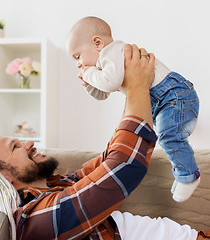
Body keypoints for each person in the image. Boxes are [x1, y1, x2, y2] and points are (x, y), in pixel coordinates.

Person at [0, 45, 210, 240]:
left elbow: (108, 159)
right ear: (4, 177)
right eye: (16, 148)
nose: (28, 143)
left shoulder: (54, 186)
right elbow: (124, 167)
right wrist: (137, 87)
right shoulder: (37, 219)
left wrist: (133, 90)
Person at [66, 16, 200, 202]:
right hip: (163, 98)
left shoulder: (112, 51)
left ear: (97, 43)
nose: (78, 63)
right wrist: (89, 84)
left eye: (78, 56)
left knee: (169, 135)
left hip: (174, 93)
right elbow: (103, 94)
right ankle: (182, 173)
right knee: (162, 136)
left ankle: (189, 176)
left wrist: (89, 73)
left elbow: (110, 84)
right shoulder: (106, 64)